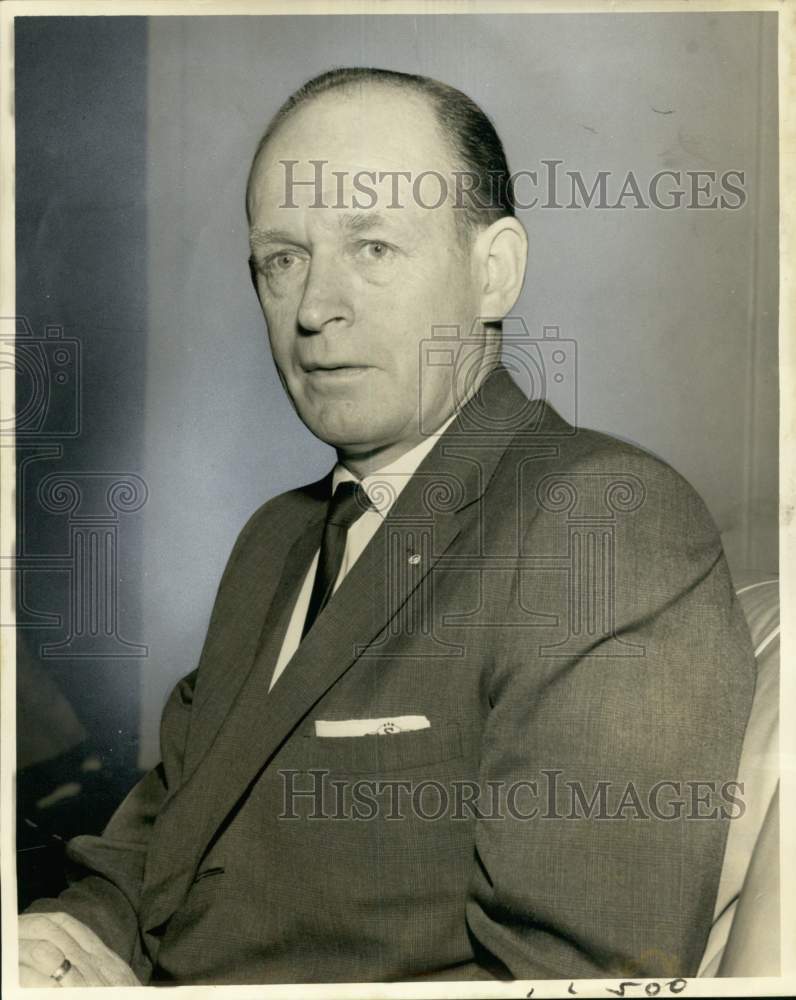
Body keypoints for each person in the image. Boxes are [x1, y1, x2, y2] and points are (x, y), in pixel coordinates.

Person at [18, 67, 756, 987]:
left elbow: (575, 977)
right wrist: (65, 938)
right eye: (283, 258)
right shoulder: (276, 541)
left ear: (495, 272)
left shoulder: (600, 524)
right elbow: (165, 837)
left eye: (371, 246)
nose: (316, 309)